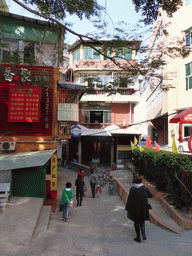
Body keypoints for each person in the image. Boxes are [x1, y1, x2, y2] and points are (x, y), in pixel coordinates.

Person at [125, 175, 152, 242]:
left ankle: (138, 237)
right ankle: (144, 235)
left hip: (135, 209)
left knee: (136, 222)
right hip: (143, 208)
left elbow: (129, 200)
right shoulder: (144, 188)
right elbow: (150, 195)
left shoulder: (132, 189)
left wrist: (127, 208)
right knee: (142, 222)